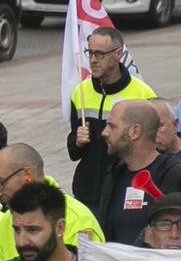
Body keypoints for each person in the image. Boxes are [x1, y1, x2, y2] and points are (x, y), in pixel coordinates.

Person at [65, 26, 156, 209]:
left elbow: (155, 147)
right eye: (89, 53)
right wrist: (77, 141)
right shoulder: (80, 91)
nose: (92, 60)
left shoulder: (142, 93)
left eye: (99, 54)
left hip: (124, 191)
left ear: (118, 54)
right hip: (87, 193)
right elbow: (74, 153)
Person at [95, 99, 181, 246]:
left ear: (135, 132)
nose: (104, 132)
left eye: (112, 126)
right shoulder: (113, 175)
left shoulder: (175, 175)